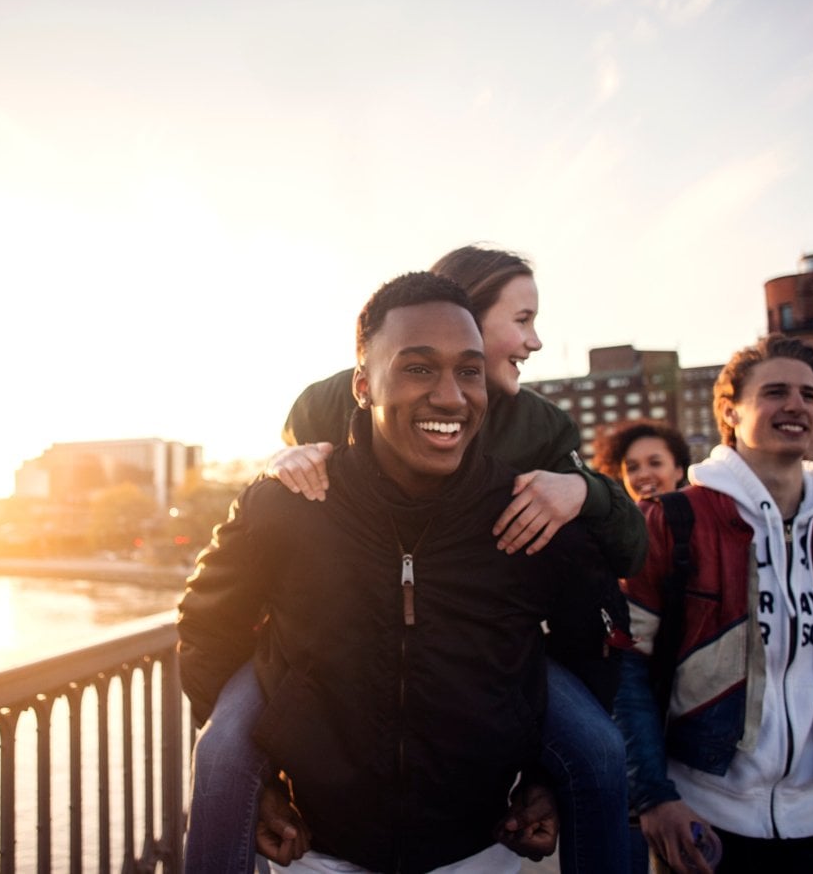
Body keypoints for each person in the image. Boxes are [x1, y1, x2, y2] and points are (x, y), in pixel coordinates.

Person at [186, 245, 644, 874]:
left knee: (596, 748)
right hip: (322, 849)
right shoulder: (298, 485)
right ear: (363, 384)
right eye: (419, 369)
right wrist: (261, 781)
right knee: (220, 754)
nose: (451, 398)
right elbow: (211, 620)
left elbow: (592, 623)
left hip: (475, 847)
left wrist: (543, 778)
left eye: (468, 371)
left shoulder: (530, 485)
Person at [613, 334, 813, 874]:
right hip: (703, 818)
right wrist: (652, 796)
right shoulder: (671, 523)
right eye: (776, 392)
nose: (797, 405)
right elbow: (625, 669)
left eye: (809, 395)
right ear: (730, 412)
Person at [593, 420, 691, 502]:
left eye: (655, 463)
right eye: (632, 468)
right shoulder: (613, 524)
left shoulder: (703, 517)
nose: (643, 475)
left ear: (679, 470)